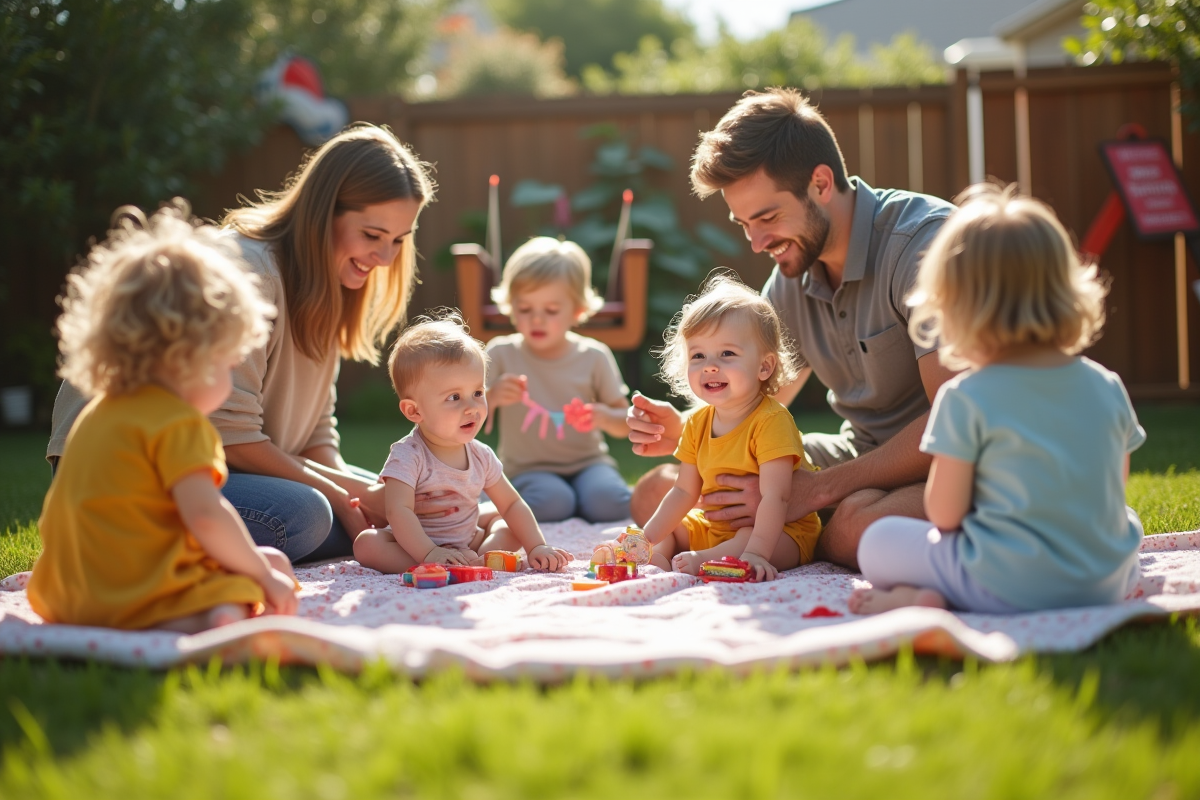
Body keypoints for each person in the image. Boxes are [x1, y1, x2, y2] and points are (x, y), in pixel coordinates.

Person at [48, 124, 436, 563]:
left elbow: (314, 433)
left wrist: (366, 495)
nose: (385, 258)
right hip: (123, 475)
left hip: (212, 465)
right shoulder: (249, 273)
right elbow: (229, 435)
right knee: (310, 514)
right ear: (322, 212)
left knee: (400, 496)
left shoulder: (329, 284)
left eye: (398, 241)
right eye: (372, 236)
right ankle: (126, 548)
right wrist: (348, 498)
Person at [627, 88, 958, 568]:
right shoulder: (792, 275)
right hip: (859, 453)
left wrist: (814, 491)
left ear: (821, 183)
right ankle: (792, 535)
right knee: (659, 491)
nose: (758, 242)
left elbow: (954, 423)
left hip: (953, 462)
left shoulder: (926, 248)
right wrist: (692, 432)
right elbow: (755, 395)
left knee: (853, 527)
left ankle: (803, 534)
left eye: (767, 217)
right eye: (743, 223)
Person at [849, 186, 1144, 614]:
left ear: (955, 308)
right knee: (1127, 522)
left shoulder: (964, 397)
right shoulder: (1106, 384)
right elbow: (1112, 493)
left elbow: (946, 515)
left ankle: (931, 598)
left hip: (1002, 586)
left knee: (877, 541)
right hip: (1103, 584)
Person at [29, 202, 299, 633]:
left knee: (263, 560)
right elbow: (207, 516)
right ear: (189, 357)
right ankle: (209, 619)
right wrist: (262, 577)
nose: (232, 381)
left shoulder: (99, 411)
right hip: (136, 592)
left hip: (64, 596)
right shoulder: (180, 424)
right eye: (228, 365)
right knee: (262, 572)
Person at [352, 316, 572, 573]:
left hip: (469, 539)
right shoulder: (408, 455)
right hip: (417, 544)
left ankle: (477, 559)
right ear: (414, 411)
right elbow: (398, 512)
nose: (471, 407)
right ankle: (435, 566)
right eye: (454, 397)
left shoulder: (481, 455)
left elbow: (512, 504)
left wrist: (537, 546)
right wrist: (429, 552)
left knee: (509, 525)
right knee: (366, 544)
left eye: (478, 393)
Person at [640, 275, 821, 582]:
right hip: (719, 527)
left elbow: (776, 498)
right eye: (698, 355)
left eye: (727, 354)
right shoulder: (698, 422)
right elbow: (683, 490)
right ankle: (654, 558)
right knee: (675, 526)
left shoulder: (771, 421)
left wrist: (756, 553)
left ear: (764, 367)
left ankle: (709, 559)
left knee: (748, 536)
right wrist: (645, 538)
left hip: (780, 533)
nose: (710, 365)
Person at [484, 237, 632, 522]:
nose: (537, 320)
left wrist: (603, 417)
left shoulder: (594, 356)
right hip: (527, 469)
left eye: (551, 311)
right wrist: (491, 396)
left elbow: (625, 421)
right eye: (525, 309)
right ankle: (491, 501)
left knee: (610, 503)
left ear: (577, 310)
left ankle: (581, 499)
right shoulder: (500, 353)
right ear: (510, 305)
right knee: (553, 502)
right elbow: (463, 418)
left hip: (589, 463)